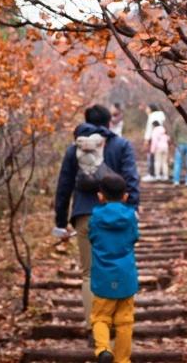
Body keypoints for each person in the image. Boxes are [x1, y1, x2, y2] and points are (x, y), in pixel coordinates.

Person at [54, 105, 140, 324]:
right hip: (119, 216)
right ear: (109, 122)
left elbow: (63, 186)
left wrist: (61, 222)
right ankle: (119, 321)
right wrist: (132, 210)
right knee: (119, 267)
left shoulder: (75, 149)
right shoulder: (121, 145)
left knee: (89, 274)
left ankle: (95, 326)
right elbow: (131, 180)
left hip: (85, 214)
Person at [88, 172, 139, 363]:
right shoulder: (131, 217)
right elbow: (134, 237)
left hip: (103, 276)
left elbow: (92, 238)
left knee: (100, 317)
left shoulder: (95, 217)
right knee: (125, 321)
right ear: (125, 196)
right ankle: (122, 360)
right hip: (126, 276)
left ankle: (102, 349)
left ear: (100, 196)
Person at [143, 104, 165, 178]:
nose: (146, 110)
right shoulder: (161, 115)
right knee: (160, 158)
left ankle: (151, 174)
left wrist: (146, 140)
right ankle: (160, 174)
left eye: (147, 108)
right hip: (162, 139)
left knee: (151, 156)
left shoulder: (152, 116)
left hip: (152, 139)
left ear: (151, 109)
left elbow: (149, 129)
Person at [171, 122, 187, 187]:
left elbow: (173, 133)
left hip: (180, 144)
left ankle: (176, 181)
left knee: (177, 163)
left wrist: (175, 141)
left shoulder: (178, 120)